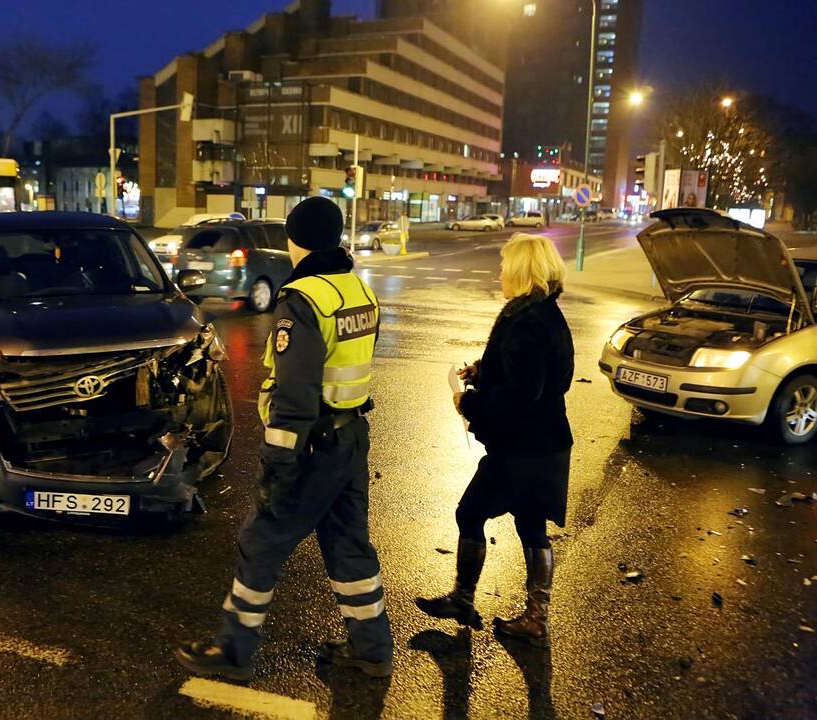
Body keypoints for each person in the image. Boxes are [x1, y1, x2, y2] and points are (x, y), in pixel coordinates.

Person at [175, 196, 393, 680]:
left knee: (262, 539)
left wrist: (277, 463)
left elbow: (295, 395)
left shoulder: (303, 300)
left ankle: (233, 650)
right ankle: (372, 647)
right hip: (351, 435)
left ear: (296, 241)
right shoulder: (359, 290)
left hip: (312, 444)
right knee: (349, 543)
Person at [416, 233, 574, 648]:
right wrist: (483, 370)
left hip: (523, 448)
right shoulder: (545, 314)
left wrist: (470, 403)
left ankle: (466, 600)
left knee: (470, 513)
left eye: (505, 266)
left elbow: (523, 392)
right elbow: (537, 374)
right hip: (546, 442)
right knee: (531, 524)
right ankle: (534, 616)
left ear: (522, 271)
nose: (500, 272)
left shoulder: (526, 321)